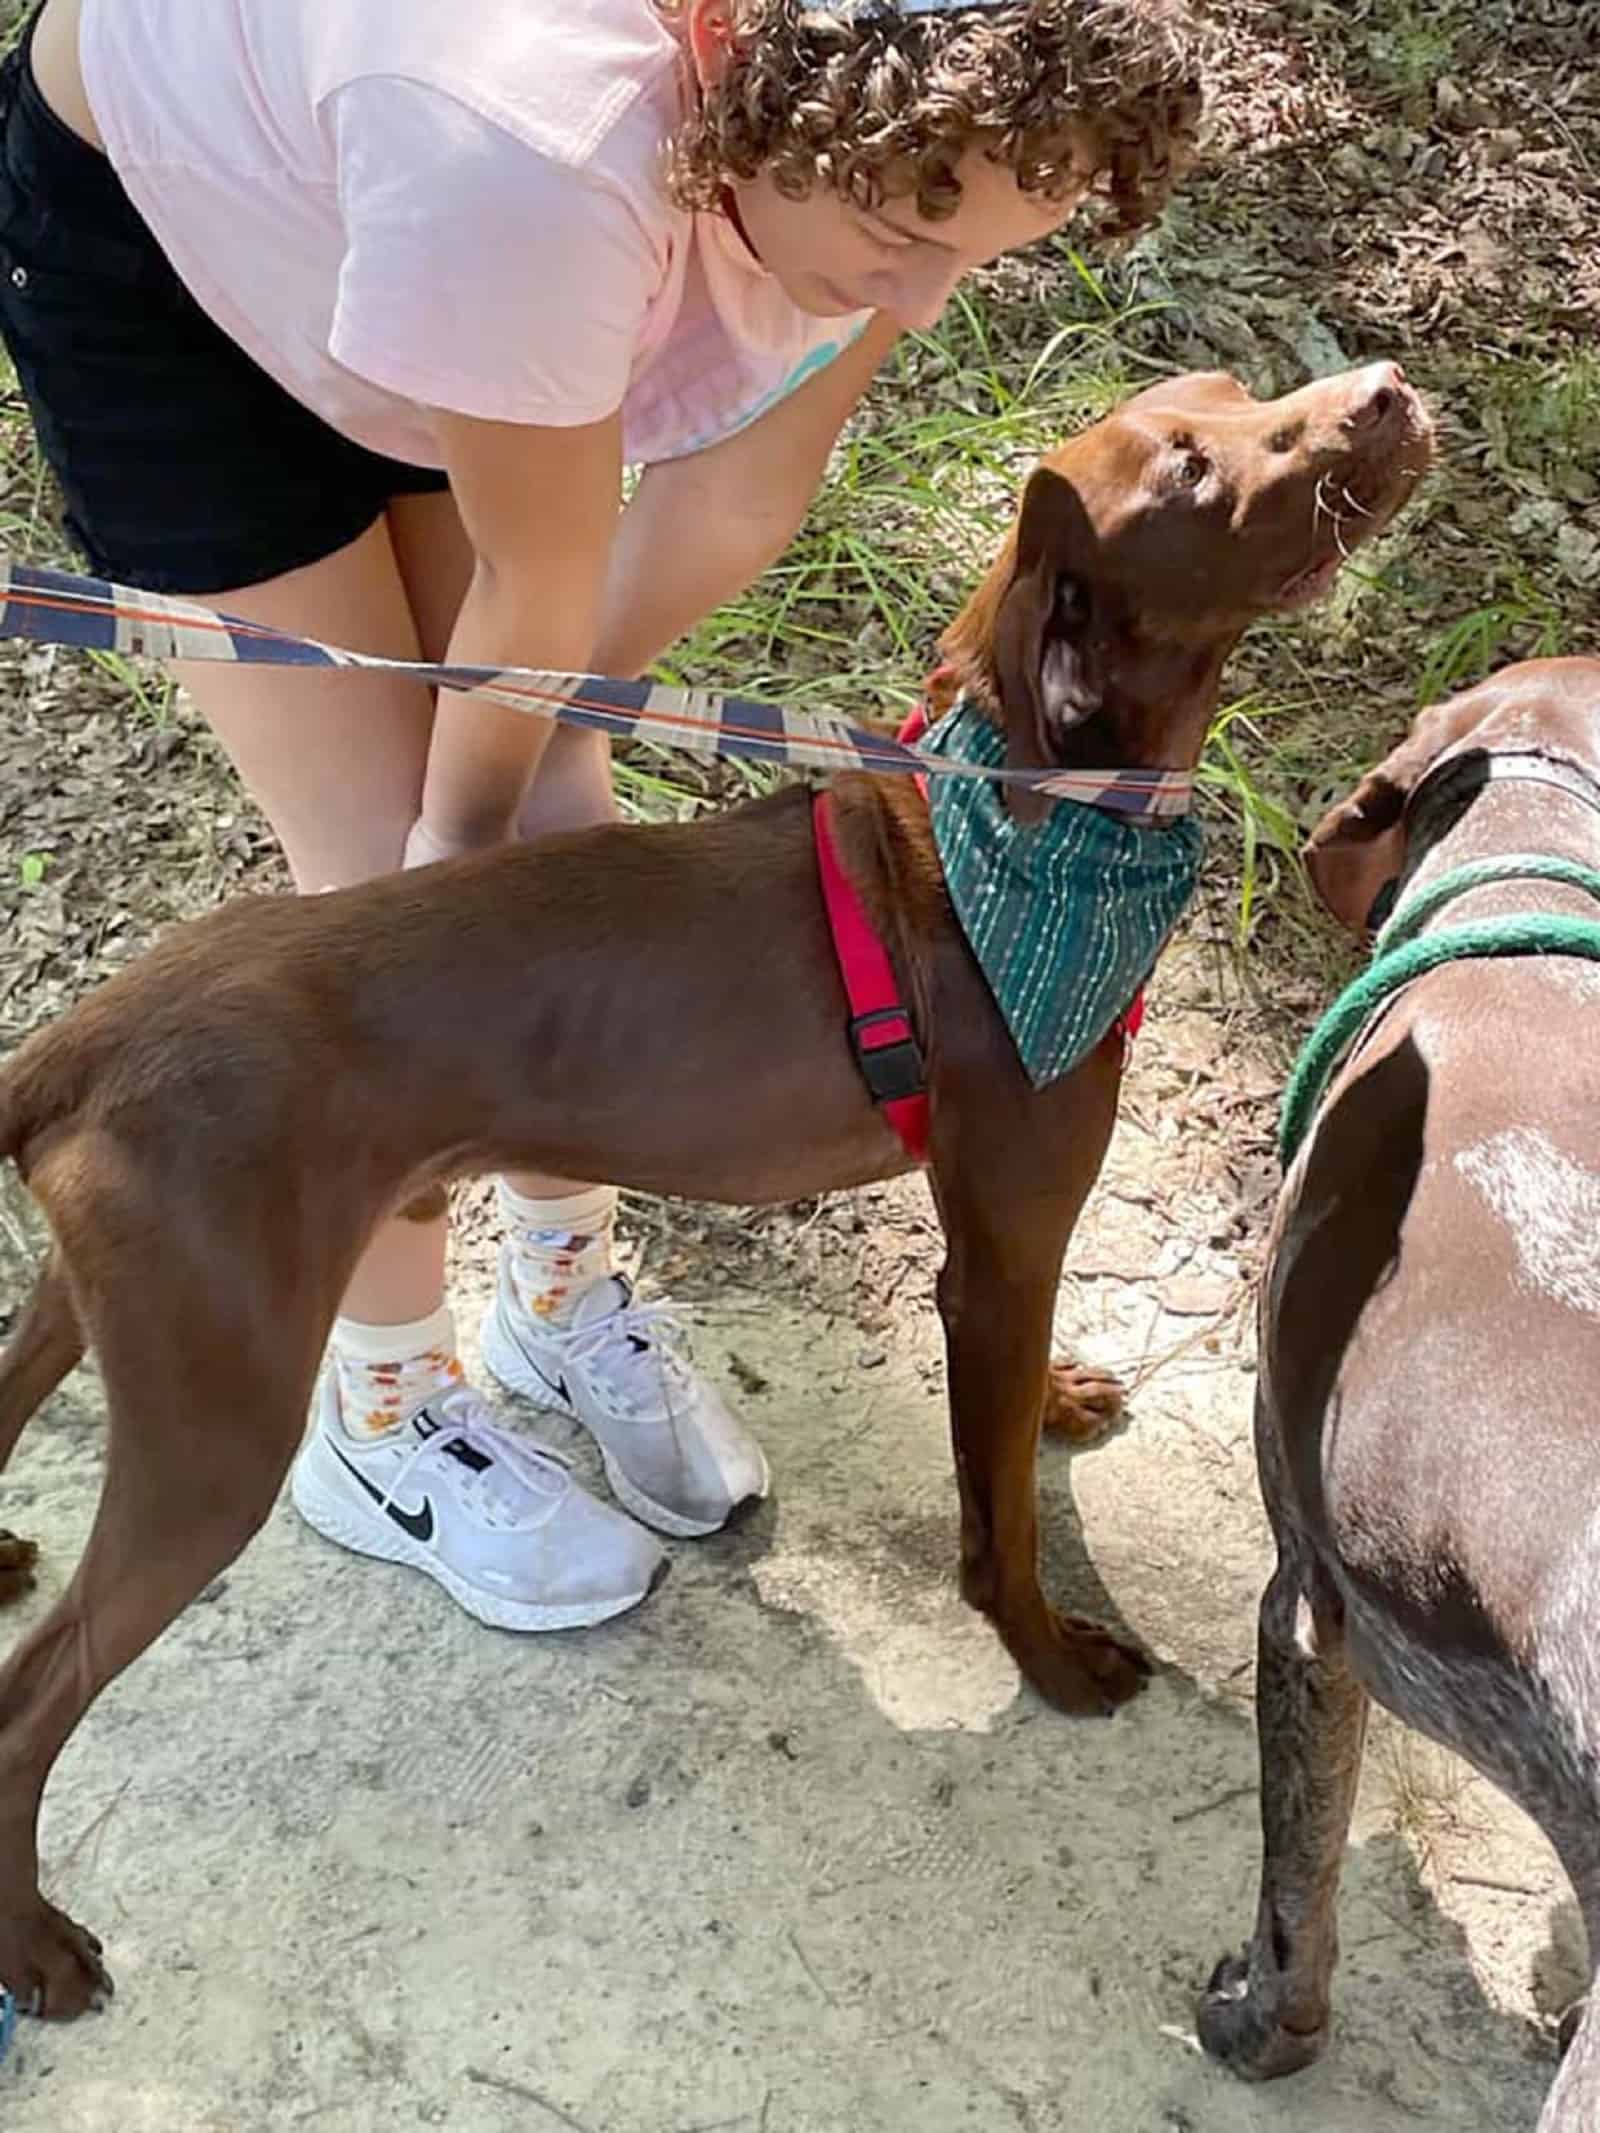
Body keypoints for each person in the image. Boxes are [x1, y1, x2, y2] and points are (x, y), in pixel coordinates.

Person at [0, 0, 1200, 1633]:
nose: (922, 298)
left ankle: (558, 1300)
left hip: (411, 205)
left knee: (552, 824)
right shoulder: (535, 153)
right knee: (385, 899)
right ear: (779, 120)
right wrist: (446, 855)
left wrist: (525, 750)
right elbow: (539, 576)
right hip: (183, 230)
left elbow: (728, 498)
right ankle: (380, 1409)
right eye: (903, 239)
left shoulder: (904, 124)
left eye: (981, 251)